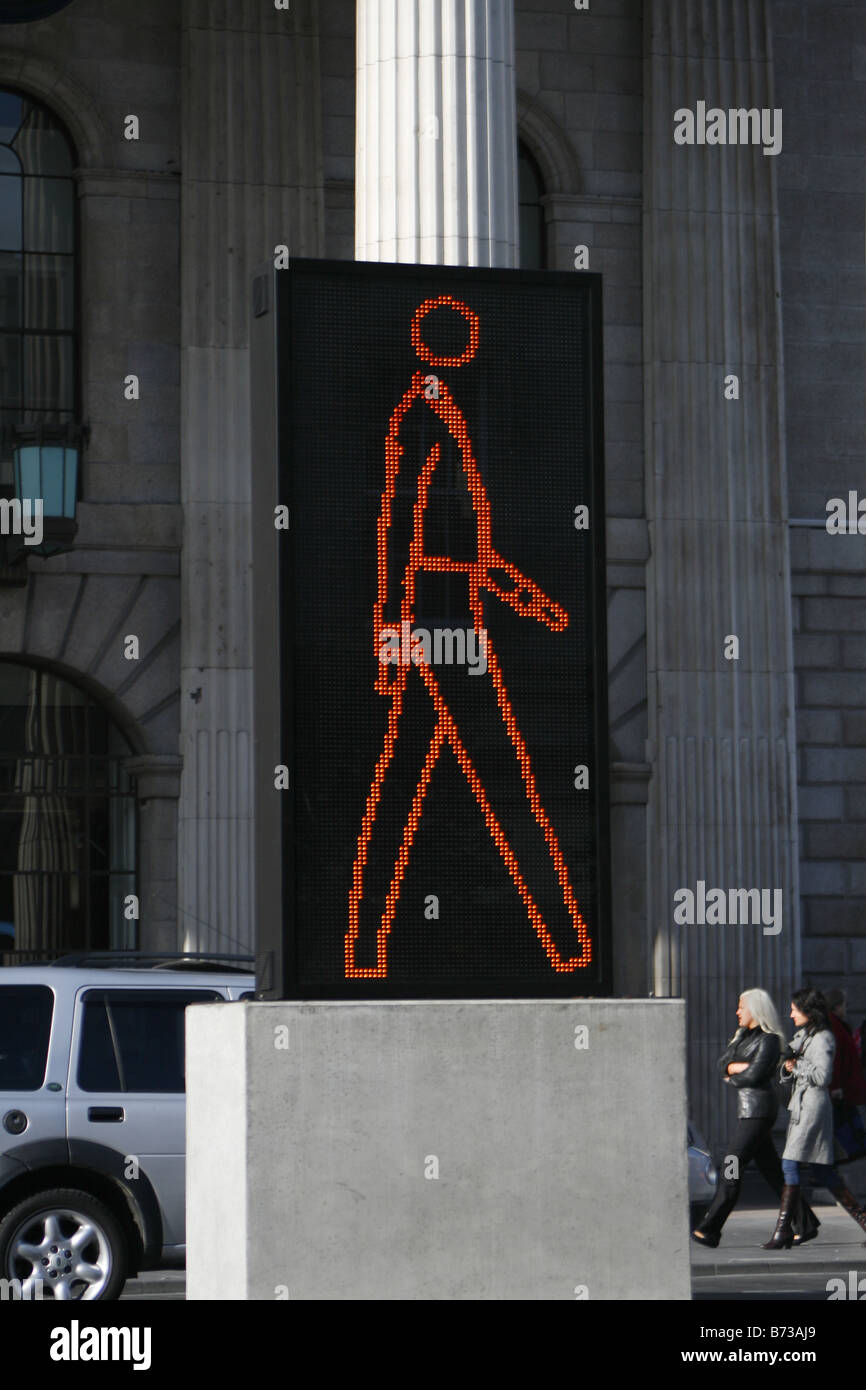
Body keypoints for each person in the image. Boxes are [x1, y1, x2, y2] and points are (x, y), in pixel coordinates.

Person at [691, 989, 819, 1248]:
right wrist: (736, 1067)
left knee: (731, 1164)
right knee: (773, 1173)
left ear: (755, 1010)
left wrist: (734, 1072)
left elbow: (755, 1076)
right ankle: (805, 1223)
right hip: (748, 1112)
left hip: (759, 1113)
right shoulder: (742, 1038)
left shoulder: (770, 1041)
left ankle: (710, 1228)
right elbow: (721, 1065)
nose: (737, 1012)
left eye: (742, 1007)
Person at [764, 987, 866, 1249]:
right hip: (803, 1107)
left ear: (809, 1012)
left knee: (789, 1163)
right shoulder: (805, 1036)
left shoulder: (823, 1039)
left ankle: (783, 1230)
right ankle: (863, 1219)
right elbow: (788, 1069)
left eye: (794, 1010)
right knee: (823, 1170)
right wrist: (789, 1067)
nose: (790, 1015)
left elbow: (822, 1077)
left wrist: (796, 1066)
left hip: (813, 1109)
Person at [824, 987, 866, 1163]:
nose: (845, 1009)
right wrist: (835, 1086)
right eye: (843, 1005)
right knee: (845, 1128)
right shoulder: (834, 1027)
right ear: (836, 1006)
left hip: (842, 1088)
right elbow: (835, 1059)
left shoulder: (836, 1026)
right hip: (839, 1089)